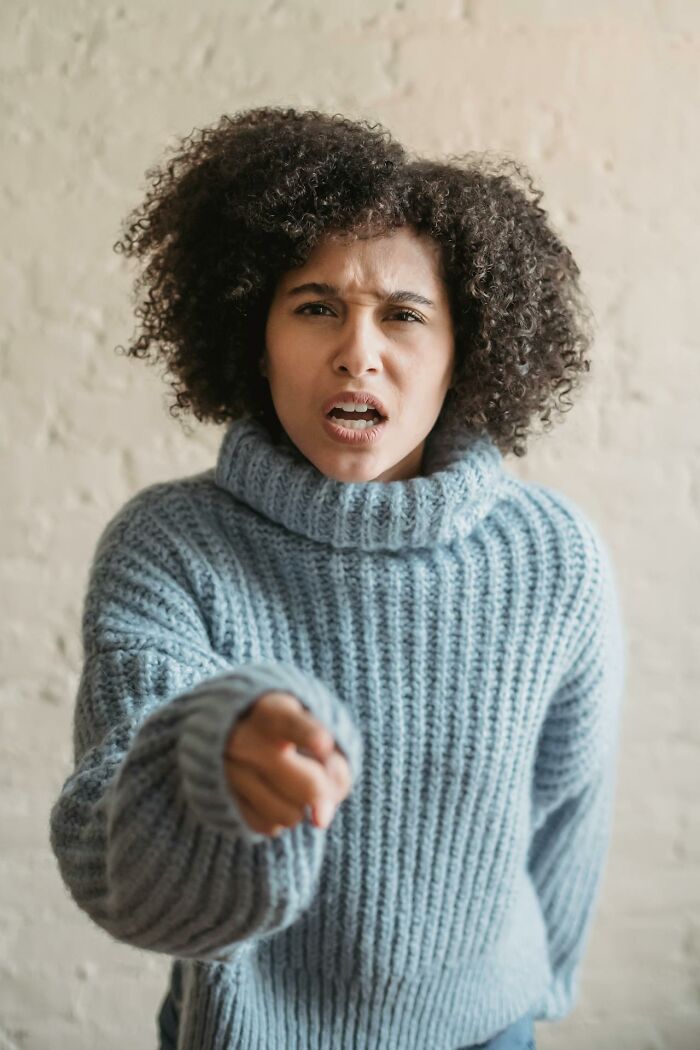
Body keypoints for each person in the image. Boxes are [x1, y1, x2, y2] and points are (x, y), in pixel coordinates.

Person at [48, 106, 625, 1050]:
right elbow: (105, 850)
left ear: (463, 353)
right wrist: (205, 754)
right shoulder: (169, 545)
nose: (358, 350)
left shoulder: (553, 554)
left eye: (404, 315)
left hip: (490, 1031)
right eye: (316, 307)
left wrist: (534, 994)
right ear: (254, 332)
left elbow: (570, 806)